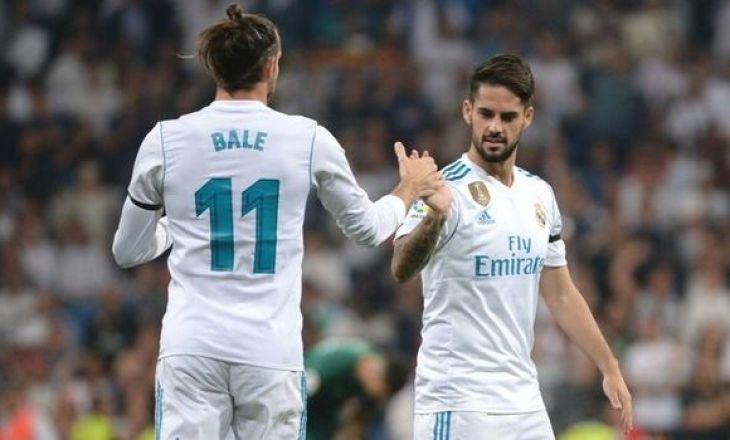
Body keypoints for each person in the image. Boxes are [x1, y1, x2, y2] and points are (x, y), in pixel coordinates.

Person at [111, 5, 442, 439]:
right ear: (271, 66)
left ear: (215, 69)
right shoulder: (307, 138)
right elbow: (368, 230)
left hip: (192, 346)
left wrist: (175, 227)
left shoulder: (165, 139)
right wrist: (408, 189)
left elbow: (128, 251)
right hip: (269, 351)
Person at [391, 54, 633, 439]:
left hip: (524, 402)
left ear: (528, 117)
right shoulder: (442, 187)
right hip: (458, 402)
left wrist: (609, 366)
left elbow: (561, 294)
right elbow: (401, 266)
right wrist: (435, 217)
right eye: (486, 114)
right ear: (467, 111)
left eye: (507, 117)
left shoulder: (540, 194)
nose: (495, 127)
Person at [304, 338, 410, 440]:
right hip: (307, 400)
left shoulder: (368, 372)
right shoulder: (338, 363)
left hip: (325, 411)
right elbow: (303, 387)